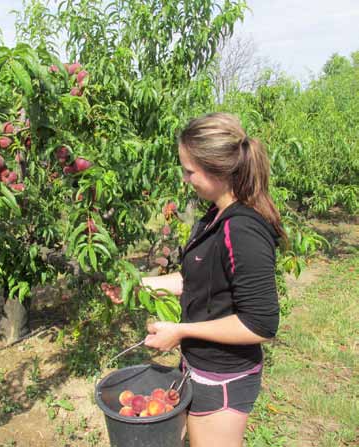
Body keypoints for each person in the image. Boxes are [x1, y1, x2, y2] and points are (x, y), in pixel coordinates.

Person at [103, 112, 284, 447]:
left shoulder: (242, 229)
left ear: (217, 170)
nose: (185, 179)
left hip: (223, 377)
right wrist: (136, 286)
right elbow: (194, 280)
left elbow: (260, 324)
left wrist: (181, 331)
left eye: (190, 171)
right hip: (199, 367)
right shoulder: (214, 217)